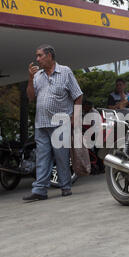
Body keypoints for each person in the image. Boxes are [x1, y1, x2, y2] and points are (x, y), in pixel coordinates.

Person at [23, 44, 83, 201]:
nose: (37, 59)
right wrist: (30, 78)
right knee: (42, 157)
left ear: (49, 56)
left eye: (40, 55)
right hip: (41, 123)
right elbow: (30, 97)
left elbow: (78, 95)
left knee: (61, 157)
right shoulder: (37, 76)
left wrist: (74, 118)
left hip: (60, 123)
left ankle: (65, 186)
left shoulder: (65, 72)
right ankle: (40, 190)